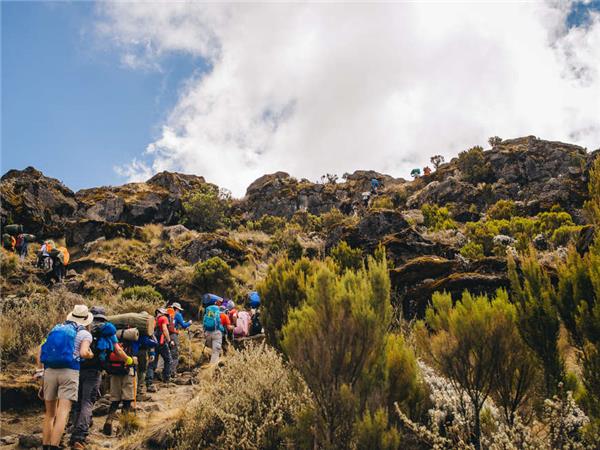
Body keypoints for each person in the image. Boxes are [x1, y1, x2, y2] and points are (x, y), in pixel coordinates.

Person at [36, 305, 94, 450]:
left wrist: (40, 373)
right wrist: (90, 354)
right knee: (63, 412)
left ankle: (45, 446)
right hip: (69, 372)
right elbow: (83, 353)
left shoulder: (55, 329)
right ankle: (54, 446)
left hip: (49, 372)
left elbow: (41, 350)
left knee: (50, 414)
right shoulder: (84, 334)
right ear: (86, 319)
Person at [70, 307, 117, 450]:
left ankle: (72, 430)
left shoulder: (80, 329)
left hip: (76, 369)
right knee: (87, 402)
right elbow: (117, 349)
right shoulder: (107, 331)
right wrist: (128, 360)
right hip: (94, 370)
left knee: (77, 402)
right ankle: (80, 436)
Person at [102, 332, 136, 436]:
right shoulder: (134, 339)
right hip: (128, 370)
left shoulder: (112, 338)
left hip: (114, 370)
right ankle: (121, 426)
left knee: (115, 399)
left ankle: (109, 420)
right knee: (127, 400)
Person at [145, 308, 173, 392]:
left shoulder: (154, 320)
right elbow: (165, 329)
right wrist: (169, 341)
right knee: (168, 360)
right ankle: (166, 378)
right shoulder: (163, 318)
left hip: (153, 343)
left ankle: (149, 381)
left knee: (152, 363)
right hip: (161, 343)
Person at [170, 302, 191, 377]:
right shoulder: (177, 314)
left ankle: (163, 371)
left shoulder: (167, 313)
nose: (179, 311)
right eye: (179, 309)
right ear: (176, 309)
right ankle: (172, 372)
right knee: (175, 354)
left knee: (167, 353)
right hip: (173, 335)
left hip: (166, 336)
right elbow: (184, 325)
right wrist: (189, 323)